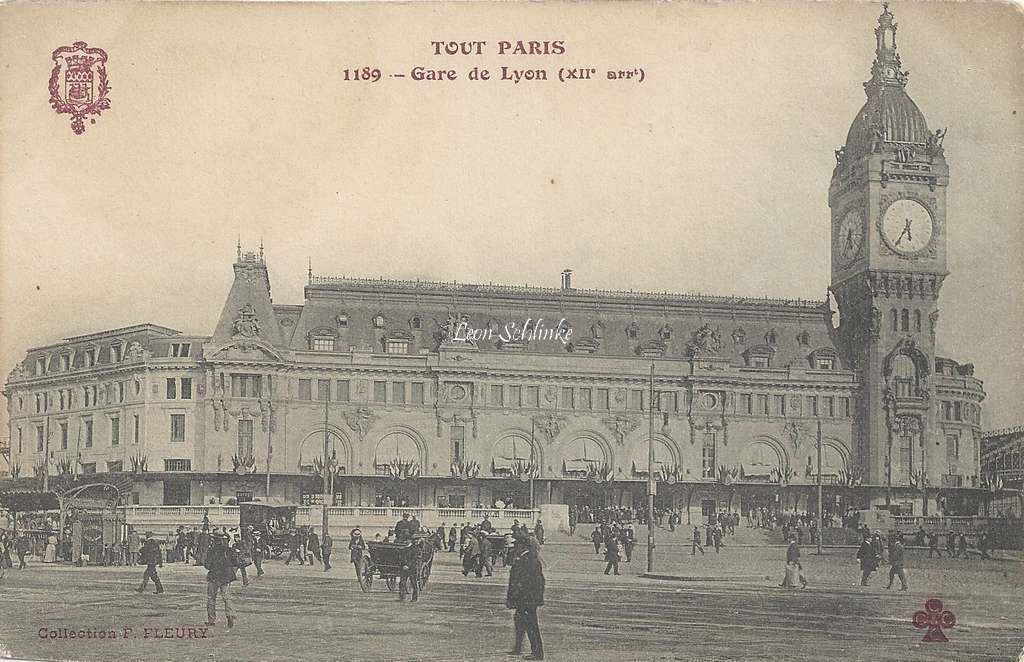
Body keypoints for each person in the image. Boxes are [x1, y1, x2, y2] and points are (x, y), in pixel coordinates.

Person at [506, 531, 545, 661]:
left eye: (517, 546)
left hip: (527, 599)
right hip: (526, 599)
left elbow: (523, 582)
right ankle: (518, 648)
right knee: (520, 621)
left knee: (531, 625)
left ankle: (537, 653)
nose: (515, 548)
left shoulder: (528, 560)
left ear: (523, 546)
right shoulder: (526, 559)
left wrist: (513, 599)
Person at [204, 532, 237, 628]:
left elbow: (206, 564)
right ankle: (230, 615)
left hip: (214, 576)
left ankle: (211, 620)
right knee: (226, 598)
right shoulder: (228, 550)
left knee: (211, 598)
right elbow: (235, 562)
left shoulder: (211, 550)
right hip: (225, 577)